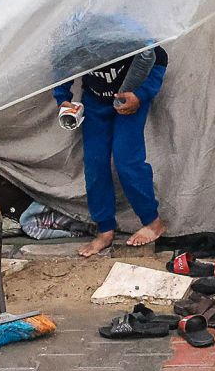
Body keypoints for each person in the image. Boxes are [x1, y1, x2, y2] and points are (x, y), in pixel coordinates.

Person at [54, 47, 168, 256]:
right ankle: (105, 230)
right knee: (95, 164)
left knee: (127, 161)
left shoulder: (126, 29)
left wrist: (140, 96)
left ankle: (153, 222)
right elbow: (62, 61)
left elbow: (159, 58)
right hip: (95, 102)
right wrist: (63, 98)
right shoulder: (76, 33)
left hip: (129, 100)